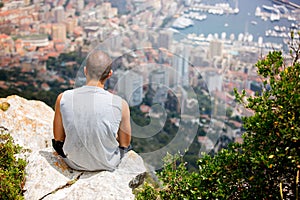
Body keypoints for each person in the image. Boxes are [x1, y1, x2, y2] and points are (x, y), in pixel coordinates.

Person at [52, 50, 132, 171]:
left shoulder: (63, 98)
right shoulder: (120, 104)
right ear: (110, 74)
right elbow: (124, 144)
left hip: (73, 162)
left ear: (85, 71)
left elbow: (58, 139)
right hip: (107, 163)